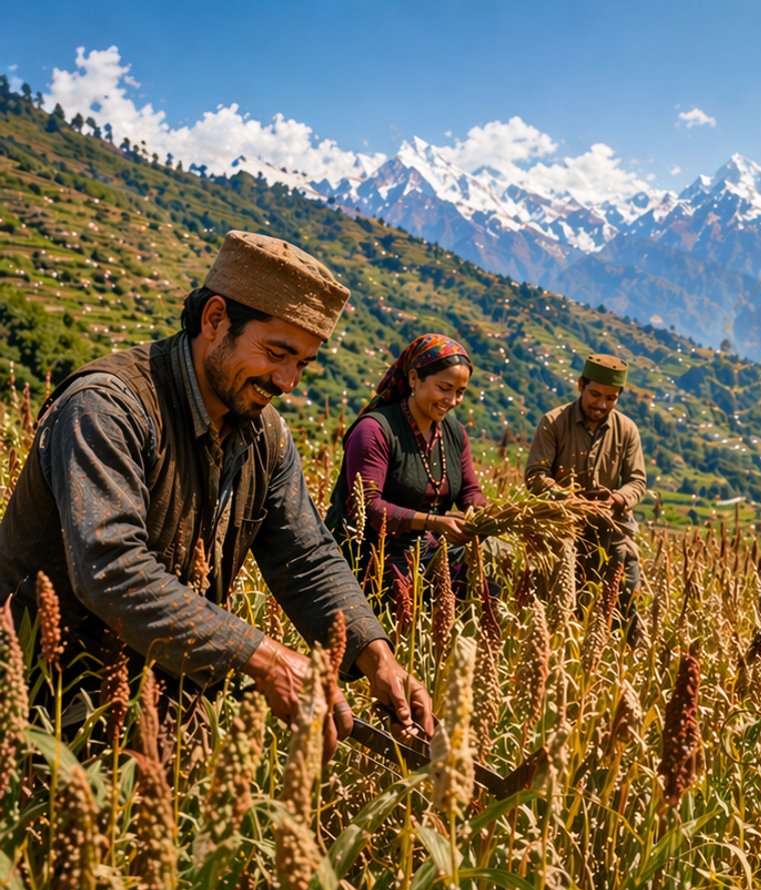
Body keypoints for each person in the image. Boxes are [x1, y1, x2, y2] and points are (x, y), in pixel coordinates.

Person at [0, 231, 435, 756]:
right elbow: (111, 568)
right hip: (39, 705)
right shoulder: (107, 408)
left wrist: (375, 654)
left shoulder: (264, 433)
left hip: (155, 705)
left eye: (302, 363)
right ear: (214, 320)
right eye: (277, 353)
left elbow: (306, 556)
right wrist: (264, 657)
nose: (287, 381)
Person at [323, 334, 487, 600]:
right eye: (444, 388)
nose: (452, 400)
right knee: (412, 601)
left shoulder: (454, 433)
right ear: (413, 378)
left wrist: (484, 512)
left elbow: (470, 491)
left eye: (459, 392)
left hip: (426, 550)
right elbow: (369, 507)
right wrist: (435, 522)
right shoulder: (374, 430)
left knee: (488, 582)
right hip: (370, 554)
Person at [523, 354, 649, 599]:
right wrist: (569, 500)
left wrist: (617, 499)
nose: (601, 404)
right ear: (581, 386)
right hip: (562, 524)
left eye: (611, 398)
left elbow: (637, 481)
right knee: (557, 595)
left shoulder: (627, 430)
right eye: (595, 394)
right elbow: (535, 475)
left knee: (626, 590)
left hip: (609, 525)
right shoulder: (554, 422)